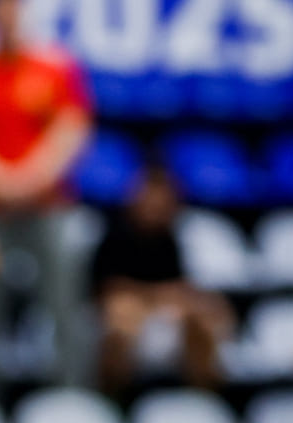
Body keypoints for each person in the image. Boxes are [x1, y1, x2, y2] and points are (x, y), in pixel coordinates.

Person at [0, 0, 95, 385]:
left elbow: (71, 129)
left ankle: (72, 389)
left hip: (48, 206)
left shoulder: (55, 68)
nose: (6, 19)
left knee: (63, 300)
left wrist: (30, 178)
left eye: (12, 10)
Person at [92, 158, 228, 397]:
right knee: (122, 315)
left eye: (164, 197)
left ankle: (206, 395)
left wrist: (174, 299)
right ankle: (115, 395)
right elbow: (110, 289)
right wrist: (158, 296)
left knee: (206, 315)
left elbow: (179, 285)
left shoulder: (169, 239)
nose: (157, 203)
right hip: (120, 312)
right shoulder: (115, 235)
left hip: (160, 309)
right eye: (151, 195)